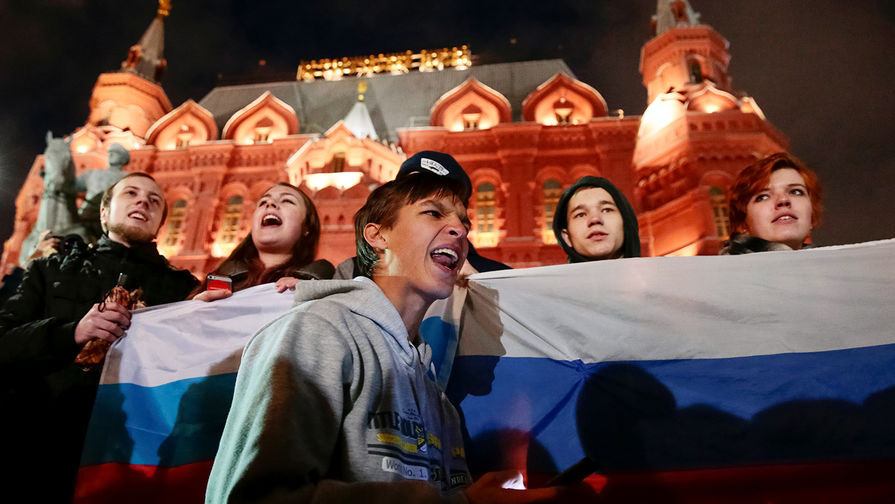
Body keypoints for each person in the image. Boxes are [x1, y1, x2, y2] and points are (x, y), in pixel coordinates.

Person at [206, 153, 567, 503]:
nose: (460, 230)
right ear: (377, 236)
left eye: (463, 222)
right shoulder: (316, 333)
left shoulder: (436, 394)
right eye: (432, 212)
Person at [0, 172, 199, 501]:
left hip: (128, 457)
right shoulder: (51, 271)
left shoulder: (183, 291)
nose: (142, 202)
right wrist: (72, 332)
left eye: (154, 201)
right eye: (131, 193)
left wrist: (203, 310)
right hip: (38, 443)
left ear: (160, 223)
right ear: (104, 213)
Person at [191, 183, 333, 301]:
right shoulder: (222, 277)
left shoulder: (320, 279)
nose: (270, 204)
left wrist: (313, 297)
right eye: (263, 202)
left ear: (307, 227)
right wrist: (195, 308)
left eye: (287, 201)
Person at [722, 152, 823, 254]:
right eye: (763, 197)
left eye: (795, 192)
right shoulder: (722, 269)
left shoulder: (832, 266)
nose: (783, 200)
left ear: (812, 216)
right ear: (743, 225)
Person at [552, 176, 640, 262]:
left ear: (626, 223)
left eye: (607, 210)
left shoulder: (652, 275)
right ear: (566, 237)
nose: (595, 219)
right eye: (581, 214)